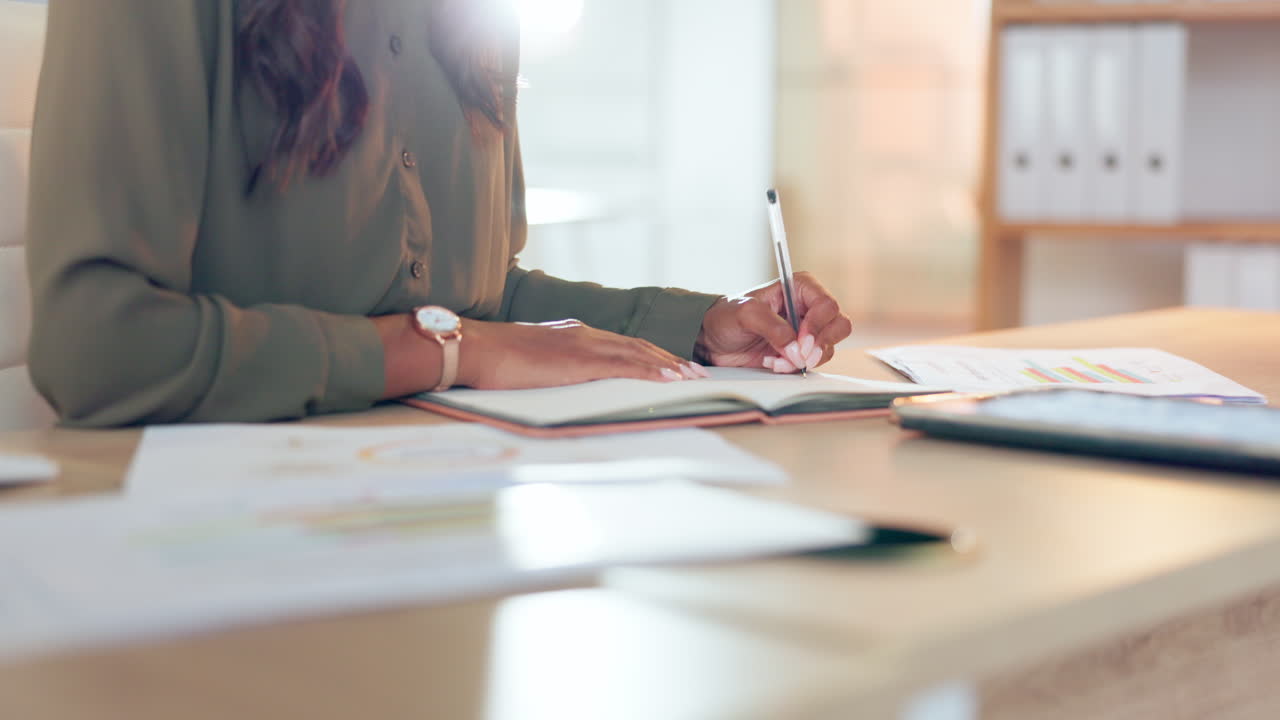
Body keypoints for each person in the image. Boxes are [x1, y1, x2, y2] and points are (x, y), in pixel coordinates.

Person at [25, 0, 853, 428]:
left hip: (436, 501)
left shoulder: (479, 20)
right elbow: (95, 347)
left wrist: (699, 330)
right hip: (215, 532)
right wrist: (447, 351)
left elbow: (475, 299)